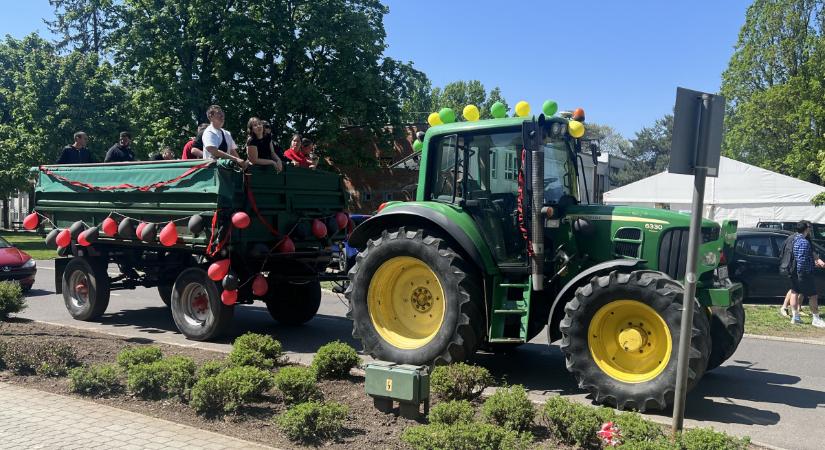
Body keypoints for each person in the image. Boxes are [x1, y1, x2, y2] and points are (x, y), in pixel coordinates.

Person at [790, 220, 825, 327]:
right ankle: (816, 318)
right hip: (803, 273)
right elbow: (802, 260)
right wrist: (811, 267)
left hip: (794, 271)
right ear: (806, 229)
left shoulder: (794, 239)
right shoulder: (804, 242)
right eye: (809, 227)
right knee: (813, 295)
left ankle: (795, 317)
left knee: (794, 292)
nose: (810, 229)